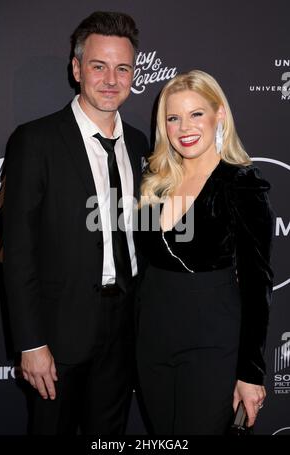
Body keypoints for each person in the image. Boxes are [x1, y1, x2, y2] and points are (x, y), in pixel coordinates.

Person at [3, 11, 149, 435]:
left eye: (122, 68)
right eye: (98, 66)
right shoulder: (36, 140)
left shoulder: (139, 142)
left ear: (132, 74)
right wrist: (31, 343)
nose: (110, 79)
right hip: (58, 333)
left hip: (124, 330)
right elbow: (19, 249)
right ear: (76, 68)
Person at [135, 70, 274, 435]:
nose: (184, 127)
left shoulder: (241, 184)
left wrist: (250, 373)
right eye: (173, 117)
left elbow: (257, 285)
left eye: (197, 113)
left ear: (220, 116)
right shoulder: (154, 181)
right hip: (151, 341)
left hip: (212, 345)